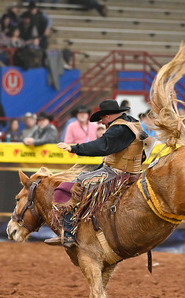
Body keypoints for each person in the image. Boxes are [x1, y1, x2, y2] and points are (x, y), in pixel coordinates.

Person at [45, 99, 149, 247]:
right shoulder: (132, 122)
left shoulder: (118, 129)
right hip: (130, 170)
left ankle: (68, 232)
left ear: (107, 116)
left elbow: (101, 145)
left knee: (71, 187)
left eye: (101, 119)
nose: (101, 123)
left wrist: (74, 148)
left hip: (117, 174)